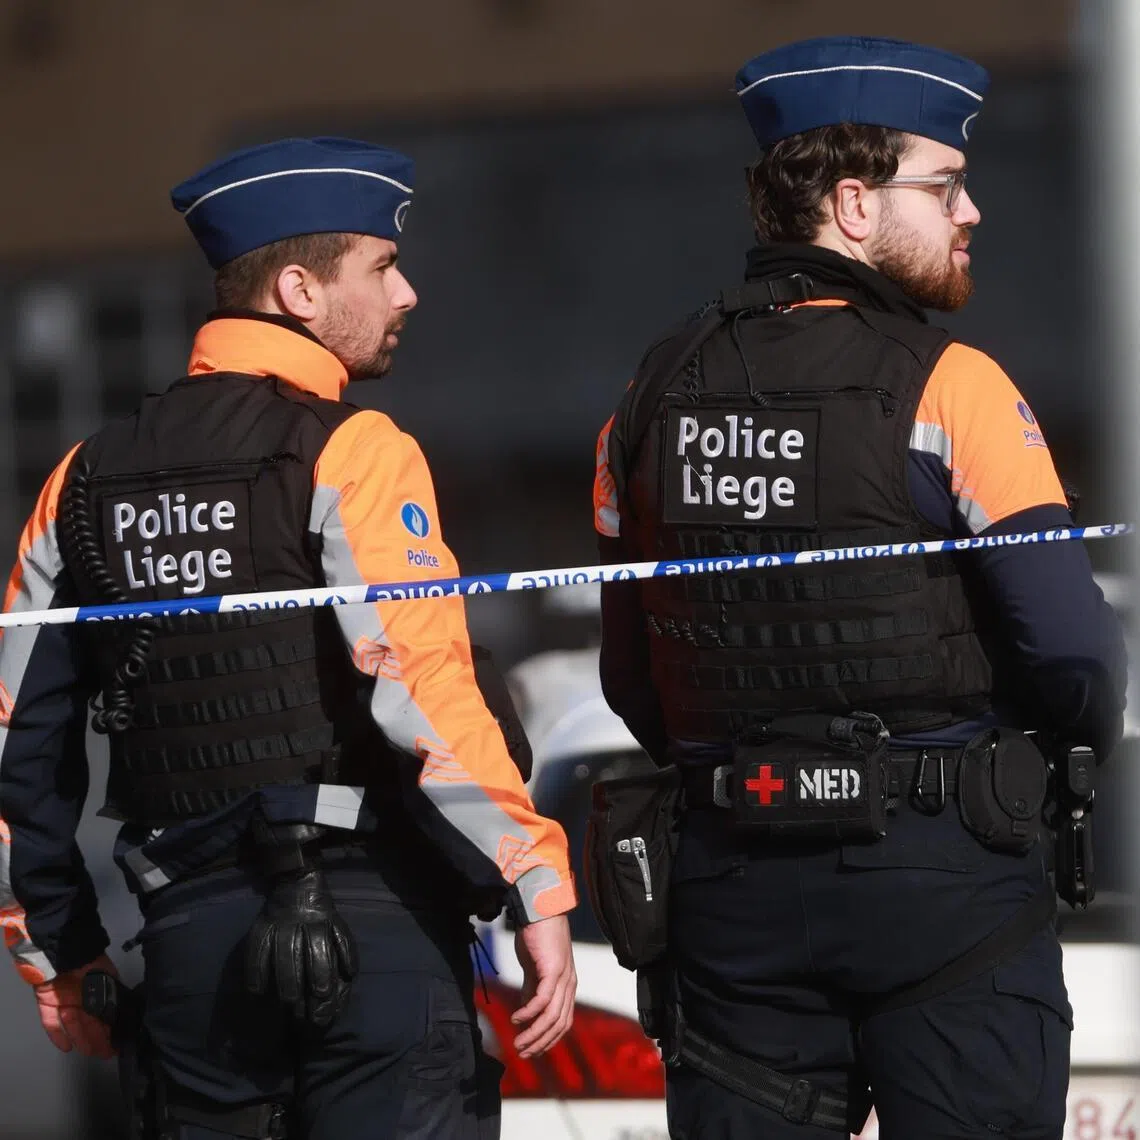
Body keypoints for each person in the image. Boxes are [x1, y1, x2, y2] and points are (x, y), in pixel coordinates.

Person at [593, 37, 1126, 1140]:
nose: (970, 211)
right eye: (943, 187)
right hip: (945, 884)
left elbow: (632, 677)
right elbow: (1076, 659)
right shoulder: (955, 388)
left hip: (734, 894)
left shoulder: (645, 399)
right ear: (851, 204)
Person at [0, 136, 577, 1139]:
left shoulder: (78, 484)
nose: (408, 296)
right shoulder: (354, 450)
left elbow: (17, 745)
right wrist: (534, 880)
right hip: (374, 932)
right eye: (385, 267)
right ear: (301, 291)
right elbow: (424, 688)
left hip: (189, 956)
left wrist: (60, 958)